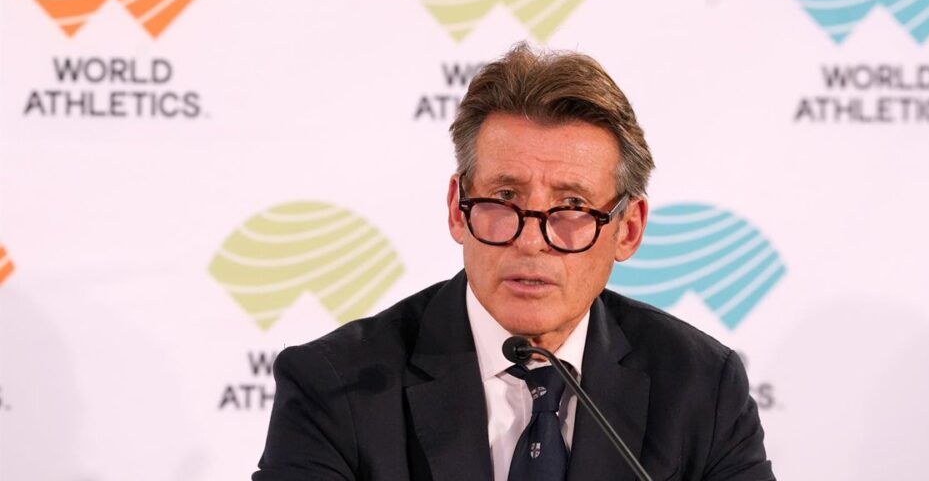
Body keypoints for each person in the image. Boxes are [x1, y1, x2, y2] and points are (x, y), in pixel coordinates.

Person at [253, 43, 775, 481]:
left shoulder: (700, 388)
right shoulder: (337, 387)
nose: (531, 240)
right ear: (457, 209)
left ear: (629, 229)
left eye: (572, 206)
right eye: (504, 199)